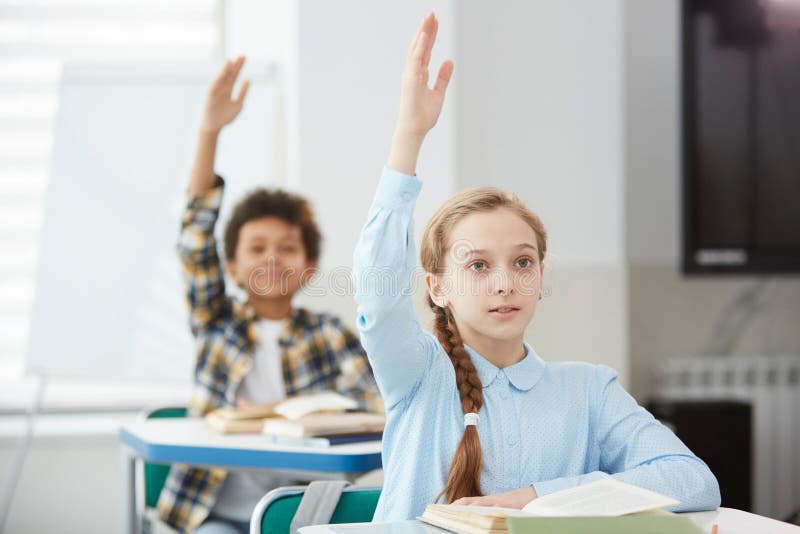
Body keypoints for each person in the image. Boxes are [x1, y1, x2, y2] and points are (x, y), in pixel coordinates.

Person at [352, 13, 721, 522]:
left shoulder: (588, 390)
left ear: (541, 275)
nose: (506, 281)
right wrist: (407, 138)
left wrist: (538, 496)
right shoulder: (419, 374)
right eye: (477, 265)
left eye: (523, 261)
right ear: (437, 288)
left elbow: (692, 479)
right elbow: (378, 292)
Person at [158, 56, 381, 534]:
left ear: (310, 268)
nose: (273, 259)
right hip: (217, 511)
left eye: (287, 248)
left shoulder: (329, 334)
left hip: (303, 513)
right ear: (233, 268)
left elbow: (371, 408)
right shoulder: (216, 323)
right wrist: (209, 133)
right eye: (257, 249)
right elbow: (195, 242)